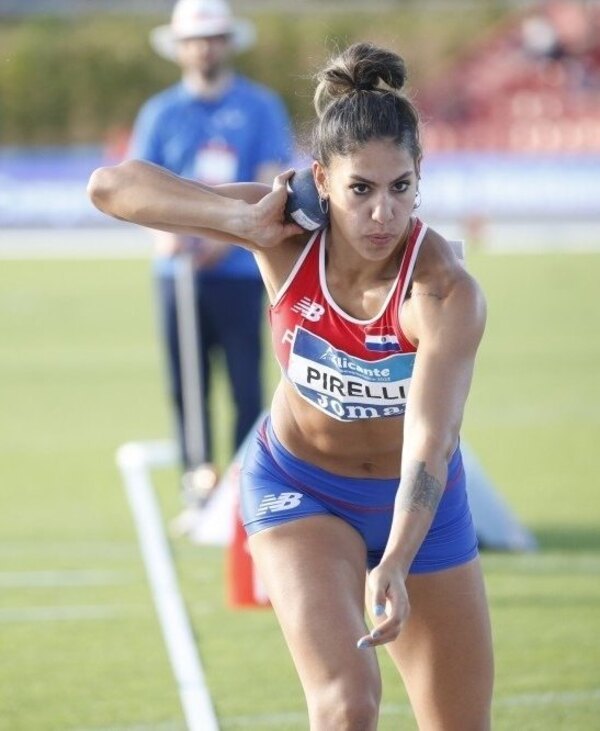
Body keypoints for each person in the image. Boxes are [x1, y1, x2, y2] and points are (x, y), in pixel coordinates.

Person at [89, 41, 494, 730]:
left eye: (400, 187)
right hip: (300, 484)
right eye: (360, 189)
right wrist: (238, 220)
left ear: (419, 180)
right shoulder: (284, 235)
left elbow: (431, 439)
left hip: (419, 501)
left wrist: (395, 559)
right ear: (321, 181)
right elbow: (110, 187)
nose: (381, 214)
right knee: (346, 704)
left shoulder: (443, 290)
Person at [128, 0, 293, 521]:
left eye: (214, 37)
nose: (205, 47)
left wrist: (224, 237)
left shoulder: (261, 106)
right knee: (186, 385)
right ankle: (196, 485)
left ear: (228, 43)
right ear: (179, 49)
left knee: (246, 384)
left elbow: (269, 181)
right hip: (177, 275)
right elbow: (139, 188)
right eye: (195, 39)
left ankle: (248, 492)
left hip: (242, 271)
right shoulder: (160, 113)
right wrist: (168, 237)